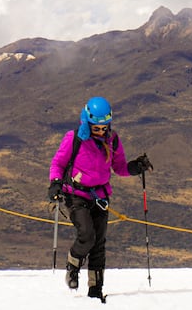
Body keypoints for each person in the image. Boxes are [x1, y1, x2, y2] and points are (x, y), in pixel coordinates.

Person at [48, 96, 153, 299]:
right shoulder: (74, 138)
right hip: (76, 195)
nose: (101, 131)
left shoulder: (112, 140)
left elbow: (119, 167)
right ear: (87, 122)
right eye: (97, 127)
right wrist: (55, 184)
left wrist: (135, 167)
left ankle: (95, 291)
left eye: (104, 126)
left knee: (98, 244)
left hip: (100, 196)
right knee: (87, 235)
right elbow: (58, 164)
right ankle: (73, 264)